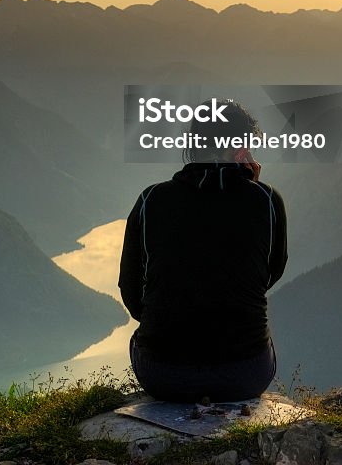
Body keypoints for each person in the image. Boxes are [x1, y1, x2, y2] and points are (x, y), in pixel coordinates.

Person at [119, 99, 288, 403]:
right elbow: (268, 274)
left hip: (163, 375)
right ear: (239, 150)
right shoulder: (267, 201)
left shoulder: (151, 201)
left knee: (140, 340)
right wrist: (253, 193)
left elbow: (131, 294)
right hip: (245, 375)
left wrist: (170, 319)